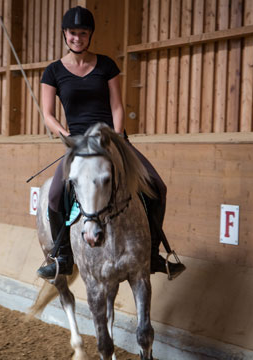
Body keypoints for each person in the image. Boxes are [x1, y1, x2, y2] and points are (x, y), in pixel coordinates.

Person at [37, 6, 185, 280]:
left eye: (83, 33)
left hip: (114, 139)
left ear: (90, 35)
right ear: (65, 34)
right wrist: (66, 136)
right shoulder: (53, 71)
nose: (77, 38)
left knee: (156, 186)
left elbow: (117, 106)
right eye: (73, 33)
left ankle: (153, 253)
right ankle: (63, 257)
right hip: (79, 145)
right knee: (56, 195)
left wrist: (116, 139)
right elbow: (47, 114)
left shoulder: (106, 66)